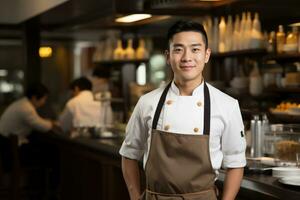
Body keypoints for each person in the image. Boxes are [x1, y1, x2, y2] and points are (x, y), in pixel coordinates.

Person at [119, 20, 246, 200]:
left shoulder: (227, 105)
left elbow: (236, 163)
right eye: (178, 49)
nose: (187, 57)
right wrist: (134, 196)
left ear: (207, 54)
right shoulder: (147, 102)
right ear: (168, 56)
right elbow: (129, 154)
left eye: (195, 49)